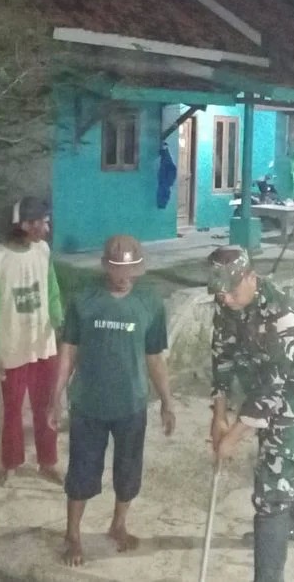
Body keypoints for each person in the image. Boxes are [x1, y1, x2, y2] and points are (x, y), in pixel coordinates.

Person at [48, 235, 176, 567]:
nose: (123, 276)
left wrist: (167, 400)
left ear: (138, 269)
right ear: (106, 266)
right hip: (88, 404)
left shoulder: (150, 302)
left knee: (128, 470)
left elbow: (154, 356)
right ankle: (72, 535)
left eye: (129, 269)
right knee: (82, 471)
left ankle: (118, 525)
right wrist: (55, 396)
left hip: (131, 403)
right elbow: (68, 350)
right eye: (117, 268)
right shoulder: (84, 299)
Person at [207, 246, 294, 582]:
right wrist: (219, 414)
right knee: (288, 460)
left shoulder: (282, 316)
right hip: (259, 387)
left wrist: (232, 438)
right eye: (220, 292)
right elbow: (222, 355)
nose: (225, 299)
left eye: (231, 290)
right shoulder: (227, 302)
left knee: (272, 488)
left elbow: (271, 392)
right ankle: (291, 526)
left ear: (251, 278)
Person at [0, 197, 63, 486]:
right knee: (12, 409)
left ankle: (48, 462)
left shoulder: (43, 251)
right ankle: (9, 462)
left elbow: (52, 290)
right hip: (12, 347)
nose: (47, 228)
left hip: (43, 344)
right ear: (24, 224)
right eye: (41, 222)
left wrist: (58, 321)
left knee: (46, 405)